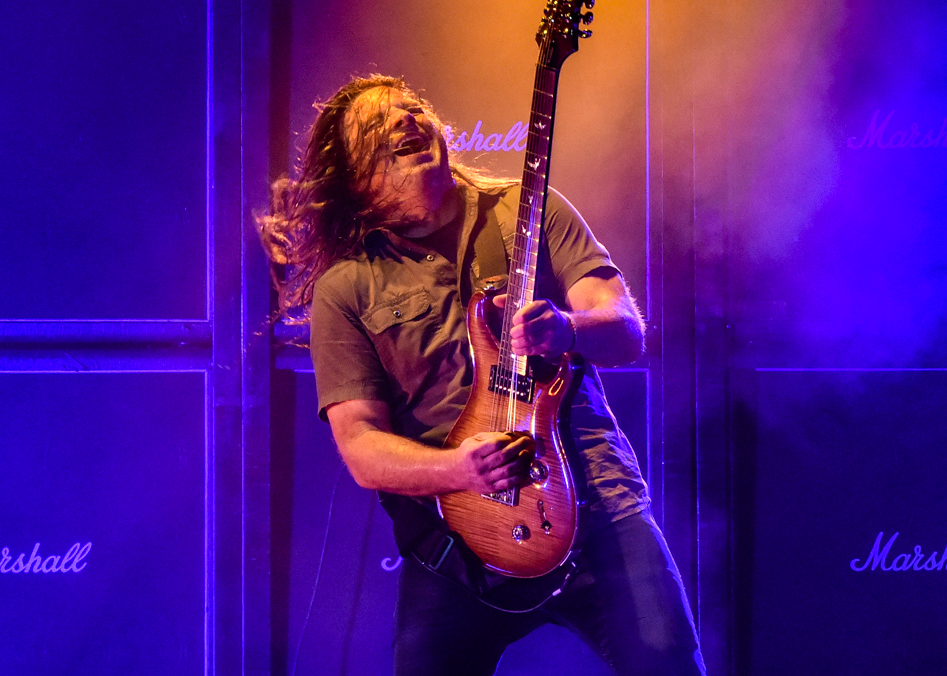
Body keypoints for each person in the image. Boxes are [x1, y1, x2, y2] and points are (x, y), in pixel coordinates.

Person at [259, 74, 705, 676]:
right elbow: (361, 446)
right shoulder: (348, 289)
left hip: (596, 505)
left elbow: (625, 330)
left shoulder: (528, 207)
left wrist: (567, 329)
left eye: (414, 107)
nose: (406, 120)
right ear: (356, 182)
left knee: (670, 663)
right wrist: (457, 469)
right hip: (456, 544)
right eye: (378, 124)